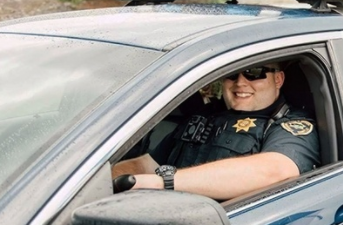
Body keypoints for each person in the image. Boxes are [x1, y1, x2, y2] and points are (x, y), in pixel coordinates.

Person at [112, 63, 320, 201]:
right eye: (231, 74)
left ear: (278, 80)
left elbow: (276, 170)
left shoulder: (290, 124)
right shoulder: (204, 116)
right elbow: (145, 165)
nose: (240, 82)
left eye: (254, 73)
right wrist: (101, 185)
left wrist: (163, 182)